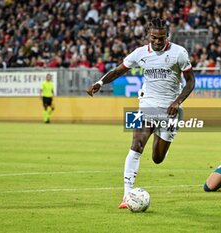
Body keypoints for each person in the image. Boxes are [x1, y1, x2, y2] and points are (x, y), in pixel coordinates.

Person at [86, 18, 195, 208]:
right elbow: (119, 70)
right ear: (148, 35)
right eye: (154, 37)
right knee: (136, 145)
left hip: (170, 109)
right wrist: (100, 83)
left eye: (161, 38)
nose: (157, 41)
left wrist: (178, 101)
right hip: (146, 104)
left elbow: (191, 81)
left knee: (157, 158)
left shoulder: (179, 53)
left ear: (167, 36)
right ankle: (127, 195)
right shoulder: (140, 53)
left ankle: (161, 140)